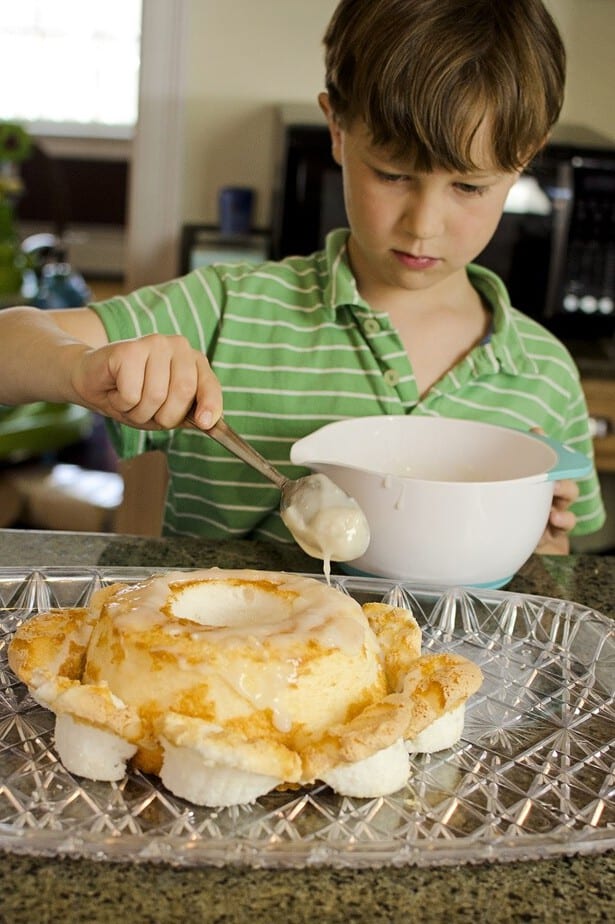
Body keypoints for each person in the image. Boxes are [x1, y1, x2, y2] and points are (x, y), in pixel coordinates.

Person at [0, 0, 605, 554]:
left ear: (526, 155)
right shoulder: (229, 311)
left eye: (469, 187)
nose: (424, 225)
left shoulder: (543, 375)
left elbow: (549, 572)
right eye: (393, 175)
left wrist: (535, 547)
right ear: (337, 129)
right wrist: (83, 370)